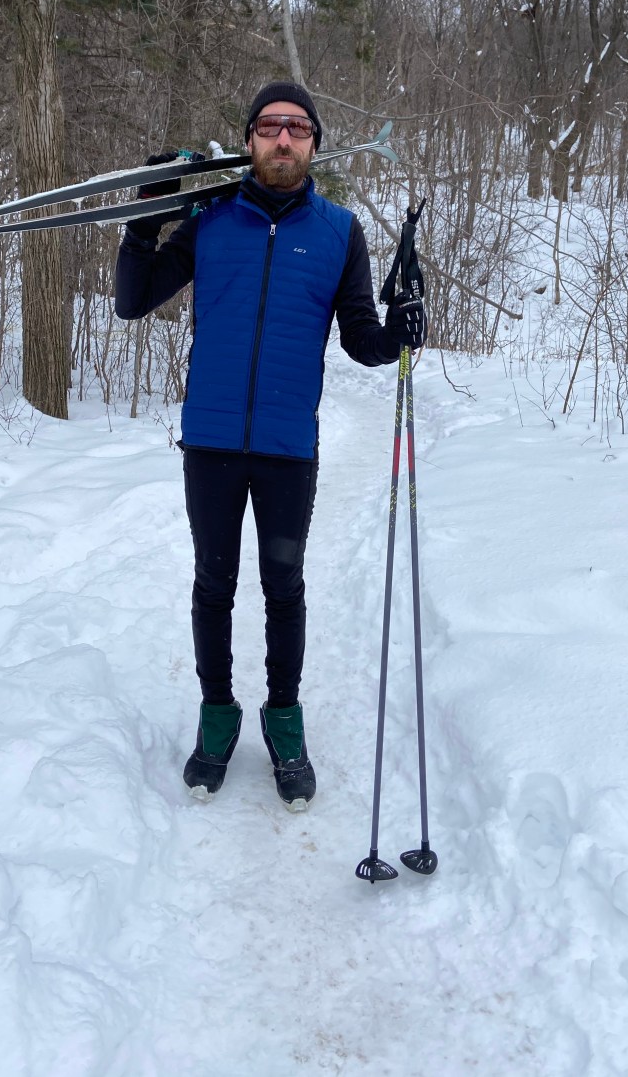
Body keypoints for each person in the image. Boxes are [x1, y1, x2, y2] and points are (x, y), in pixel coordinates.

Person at [115, 83, 426, 810]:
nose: (282, 139)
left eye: (297, 128)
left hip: (289, 446)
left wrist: (400, 332)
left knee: (283, 587)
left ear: (314, 143)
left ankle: (283, 719)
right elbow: (133, 299)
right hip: (213, 443)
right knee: (212, 585)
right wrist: (145, 217)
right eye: (269, 127)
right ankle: (217, 714)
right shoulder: (210, 220)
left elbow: (361, 338)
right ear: (249, 140)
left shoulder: (339, 231)